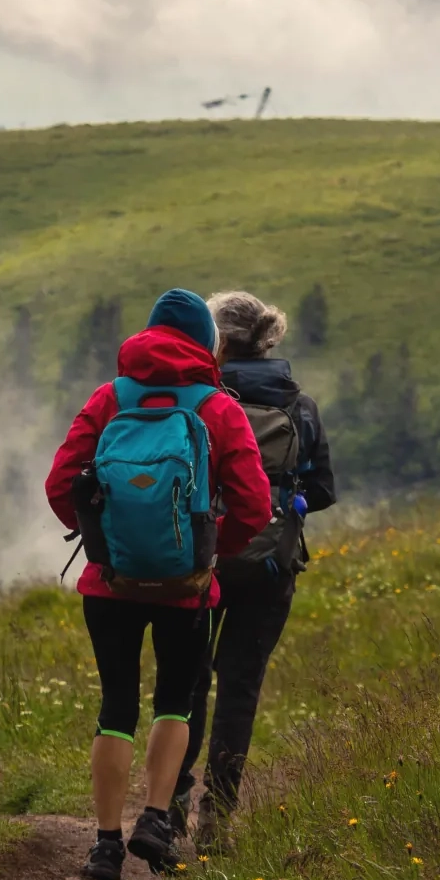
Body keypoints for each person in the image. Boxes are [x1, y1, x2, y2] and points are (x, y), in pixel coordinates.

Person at [45, 288, 272, 880]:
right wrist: (207, 549)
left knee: (115, 706)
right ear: (205, 343)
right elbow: (253, 504)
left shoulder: (109, 398)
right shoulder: (219, 408)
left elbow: (60, 484)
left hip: (110, 584)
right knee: (176, 701)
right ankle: (154, 818)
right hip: (187, 588)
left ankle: (104, 846)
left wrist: (104, 541)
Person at [170, 290, 336, 850]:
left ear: (216, 339)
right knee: (239, 689)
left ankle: (167, 810)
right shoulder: (301, 406)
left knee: (187, 683)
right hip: (269, 567)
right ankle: (216, 821)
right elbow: (323, 491)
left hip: (200, 560)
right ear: (268, 337)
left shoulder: (201, 398)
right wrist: (284, 506)